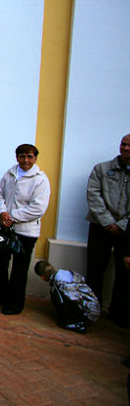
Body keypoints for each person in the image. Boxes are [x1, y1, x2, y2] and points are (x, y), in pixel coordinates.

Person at [0, 143, 51, 315]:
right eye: (22, 156)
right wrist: (1, 212)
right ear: (17, 157)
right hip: (4, 228)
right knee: (0, 264)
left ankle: (15, 303)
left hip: (25, 232)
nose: (26, 160)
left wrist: (12, 217)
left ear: (35, 158)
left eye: (30, 156)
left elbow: (37, 208)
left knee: (19, 269)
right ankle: (0, 295)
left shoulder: (40, 180)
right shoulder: (9, 174)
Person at [85, 134, 130, 327]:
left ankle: (119, 311)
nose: (126, 148)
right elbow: (93, 194)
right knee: (95, 269)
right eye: (124, 144)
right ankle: (91, 309)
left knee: (125, 273)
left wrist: (122, 225)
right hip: (100, 226)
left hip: (127, 230)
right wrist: (107, 222)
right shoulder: (102, 169)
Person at [34, 260, 100, 334]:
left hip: (88, 314)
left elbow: (74, 299)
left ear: (42, 277)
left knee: (55, 295)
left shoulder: (59, 282)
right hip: (93, 307)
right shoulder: (65, 273)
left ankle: (75, 323)